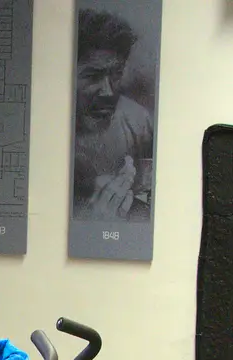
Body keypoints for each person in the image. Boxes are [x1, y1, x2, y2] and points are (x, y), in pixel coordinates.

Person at [72, 8, 154, 221]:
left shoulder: (137, 122)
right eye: (92, 76)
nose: (108, 91)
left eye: (116, 75)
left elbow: (149, 197)